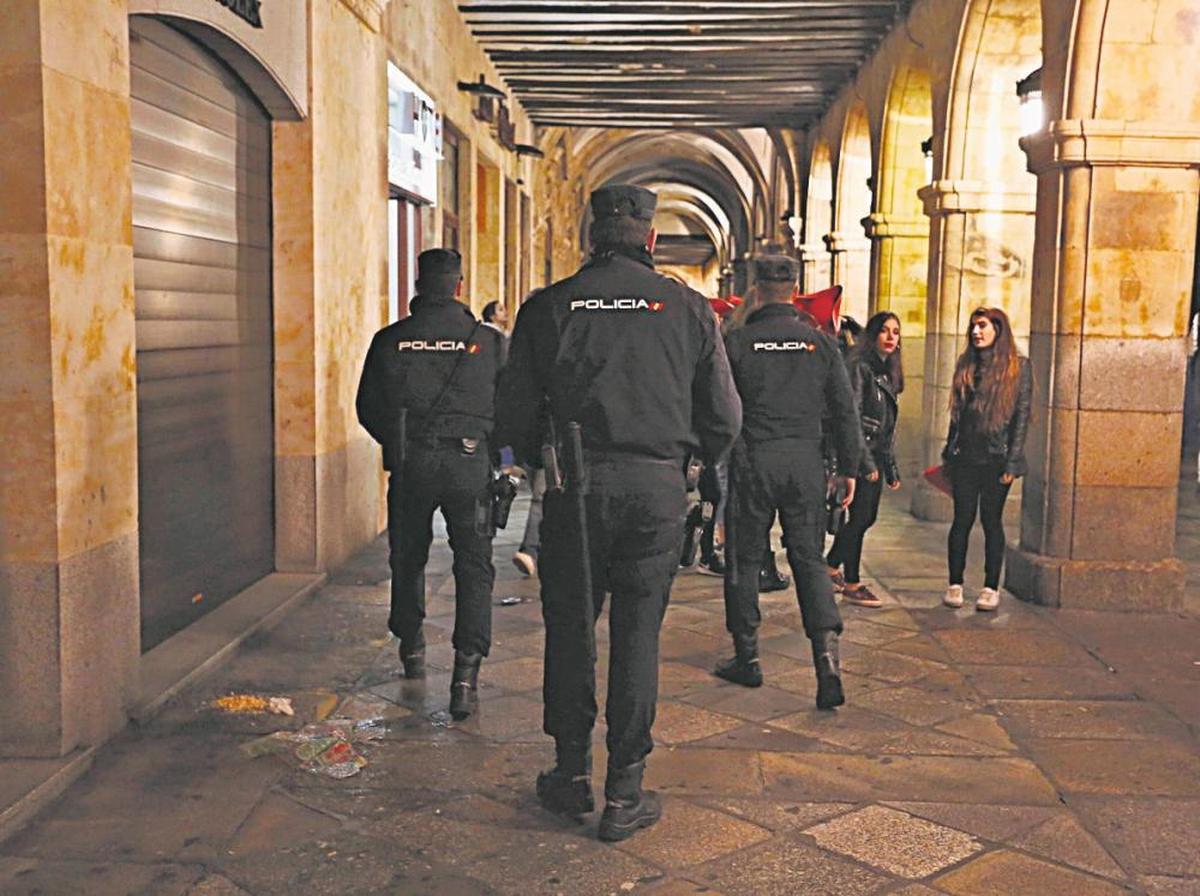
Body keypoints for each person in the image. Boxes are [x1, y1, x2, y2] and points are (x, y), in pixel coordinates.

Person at [496, 184, 741, 842]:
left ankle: (570, 775)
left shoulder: (549, 307)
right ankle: (625, 790)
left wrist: (539, 448)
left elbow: (513, 414)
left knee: (571, 630)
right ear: (650, 239)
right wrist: (686, 464)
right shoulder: (689, 309)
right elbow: (724, 418)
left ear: (589, 235)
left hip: (574, 489)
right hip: (654, 489)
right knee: (638, 637)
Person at [355, 248, 504, 720]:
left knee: (408, 557)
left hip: (412, 464)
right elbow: (513, 405)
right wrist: (488, 447)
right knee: (474, 566)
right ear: (459, 286)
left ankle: (412, 646)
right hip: (468, 464)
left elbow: (367, 406)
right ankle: (465, 673)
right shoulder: (490, 341)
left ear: (419, 284)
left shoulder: (389, 340)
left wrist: (400, 443)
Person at [715, 254, 860, 711]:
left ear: (756, 289)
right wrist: (849, 468)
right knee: (809, 559)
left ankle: (747, 656)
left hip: (754, 459)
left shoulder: (736, 343)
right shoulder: (819, 344)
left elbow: (719, 408)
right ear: (795, 290)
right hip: (804, 462)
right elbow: (844, 411)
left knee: (744, 557)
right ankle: (826, 660)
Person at [941, 306, 1033, 612]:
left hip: (997, 458)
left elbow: (1021, 418)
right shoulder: (967, 365)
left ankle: (991, 586)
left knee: (991, 521)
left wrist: (1013, 460)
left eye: (982, 326)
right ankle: (954, 583)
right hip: (965, 457)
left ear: (998, 330)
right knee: (962, 520)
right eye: (973, 327)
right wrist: (948, 451)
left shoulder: (1018, 367)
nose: (976, 332)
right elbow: (957, 416)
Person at [826, 311, 904, 607]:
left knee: (863, 518)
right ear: (872, 335)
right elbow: (852, 417)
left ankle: (832, 566)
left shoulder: (887, 371)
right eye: (884, 331)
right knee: (860, 518)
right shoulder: (860, 367)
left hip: (874, 455)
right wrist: (866, 464)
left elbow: (887, 426)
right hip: (860, 454)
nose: (890, 337)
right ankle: (852, 581)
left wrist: (891, 468)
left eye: (895, 332)